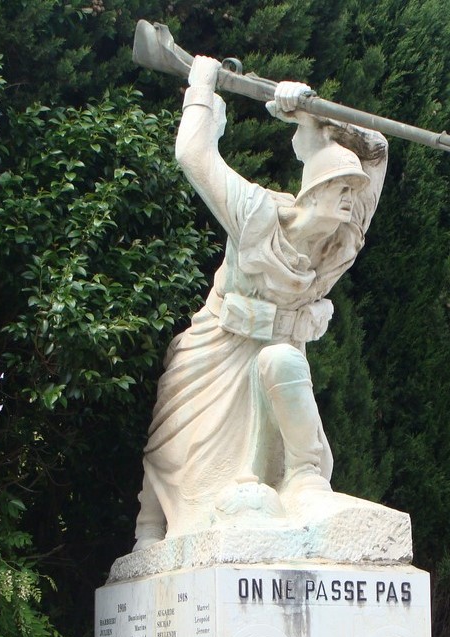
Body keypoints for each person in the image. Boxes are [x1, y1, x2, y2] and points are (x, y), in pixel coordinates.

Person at [133, 56, 388, 550]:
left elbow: (375, 153)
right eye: (339, 188)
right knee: (172, 437)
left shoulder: (340, 244)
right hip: (216, 344)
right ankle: (150, 527)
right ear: (311, 194)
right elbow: (193, 154)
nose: (349, 199)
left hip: (273, 360)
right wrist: (202, 82)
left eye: (351, 192)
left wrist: (313, 116)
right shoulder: (257, 215)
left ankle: (304, 481)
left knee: (283, 360)